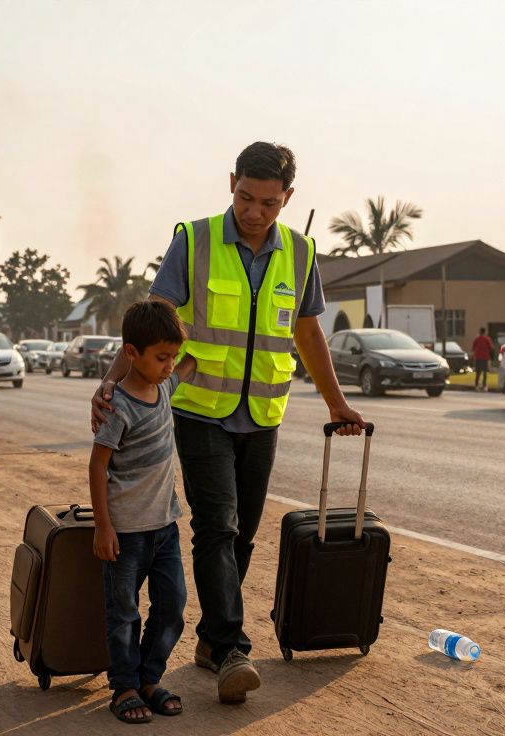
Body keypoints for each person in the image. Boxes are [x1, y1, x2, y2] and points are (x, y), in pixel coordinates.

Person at [92, 142, 366, 704]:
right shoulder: (192, 240)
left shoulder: (300, 251)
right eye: (246, 197)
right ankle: (233, 646)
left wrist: (336, 403)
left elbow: (307, 331)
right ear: (231, 183)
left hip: (263, 413)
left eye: (269, 202)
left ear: (287, 198)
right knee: (216, 525)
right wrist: (112, 382)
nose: (255, 212)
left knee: (242, 533)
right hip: (198, 408)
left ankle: (212, 641)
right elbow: (156, 318)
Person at [90, 301, 196, 724]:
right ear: (130, 353)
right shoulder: (117, 405)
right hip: (126, 534)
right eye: (160, 357)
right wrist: (103, 527)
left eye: (172, 356)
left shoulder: (165, 386)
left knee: (172, 606)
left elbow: (191, 363)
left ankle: (150, 678)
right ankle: (125, 688)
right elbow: (97, 466)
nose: (170, 365)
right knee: (124, 615)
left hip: (164, 529)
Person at [471, 326, 495, 391]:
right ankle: (484, 385)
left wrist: (474, 354)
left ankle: (476, 386)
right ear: (485, 332)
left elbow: (473, 348)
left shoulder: (477, 339)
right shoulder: (487, 339)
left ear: (480, 332)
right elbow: (491, 348)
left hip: (478, 357)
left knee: (478, 372)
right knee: (485, 372)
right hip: (485, 357)